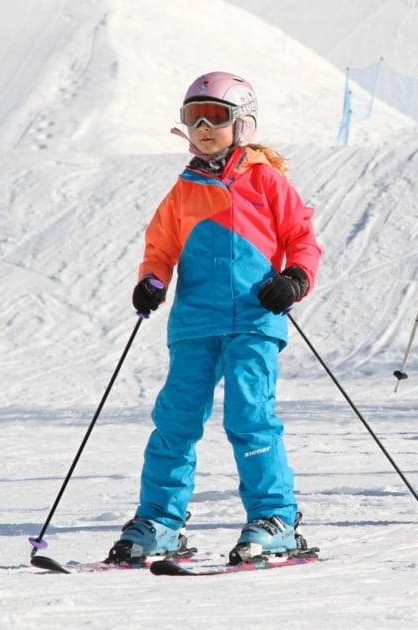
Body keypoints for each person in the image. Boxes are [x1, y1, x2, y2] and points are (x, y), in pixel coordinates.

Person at [110, 71, 323, 564]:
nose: (204, 127)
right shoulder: (183, 190)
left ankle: (276, 518)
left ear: (243, 124)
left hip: (255, 316)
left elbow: (302, 240)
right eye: (193, 117)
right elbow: (160, 246)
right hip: (194, 324)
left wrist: (294, 278)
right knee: (175, 420)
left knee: (250, 416)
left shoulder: (266, 180)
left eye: (217, 117)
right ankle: (159, 521)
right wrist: (152, 281)